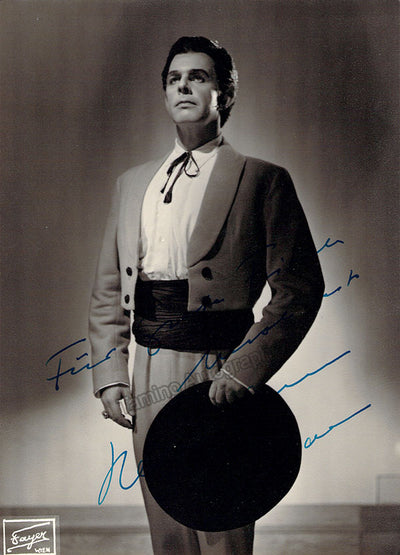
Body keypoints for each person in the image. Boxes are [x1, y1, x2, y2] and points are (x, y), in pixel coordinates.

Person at [89, 36, 324, 554]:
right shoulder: (132, 184)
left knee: (222, 521)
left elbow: (299, 290)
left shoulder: (263, 180)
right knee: (167, 525)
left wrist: (245, 368)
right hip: (150, 366)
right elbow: (108, 290)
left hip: (222, 366)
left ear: (226, 94)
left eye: (198, 77)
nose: (183, 87)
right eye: (174, 79)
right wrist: (110, 374)